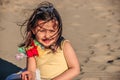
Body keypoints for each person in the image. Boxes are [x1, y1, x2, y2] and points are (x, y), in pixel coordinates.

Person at [19, 1, 80, 80]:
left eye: (51, 31)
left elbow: (75, 69)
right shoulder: (32, 46)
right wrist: (30, 74)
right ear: (33, 30)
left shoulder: (64, 45)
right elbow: (32, 70)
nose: (47, 36)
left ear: (59, 30)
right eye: (42, 31)